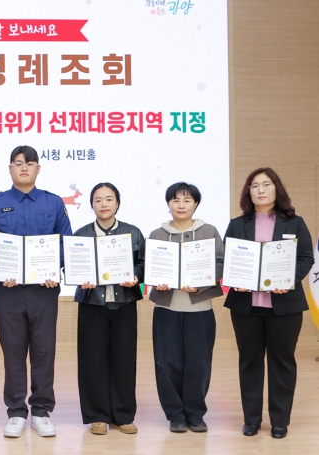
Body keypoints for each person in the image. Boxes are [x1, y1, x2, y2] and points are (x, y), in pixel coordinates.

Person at [0, 145, 72, 438]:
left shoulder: (53, 203)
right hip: (8, 291)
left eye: (29, 163)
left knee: (44, 351)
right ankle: (17, 412)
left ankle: (41, 412)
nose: (23, 167)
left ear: (38, 168)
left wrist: (53, 269)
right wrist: (0, 268)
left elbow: (65, 242)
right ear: (10, 168)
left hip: (44, 290)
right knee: (13, 352)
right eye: (18, 163)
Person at [224, 167, 314, 439]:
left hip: (285, 307)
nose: (260, 190)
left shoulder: (295, 222)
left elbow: (306, 258)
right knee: (249, 362)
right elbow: (229, 259)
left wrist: (288, 279)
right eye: (254, 185)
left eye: (266, 184)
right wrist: (234, 279)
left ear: (277, 189)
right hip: (245, 306)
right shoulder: (237, 224)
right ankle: (251, 420)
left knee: (282, 363)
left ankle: (280, 422)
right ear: (248, 192)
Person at [148, 182, 224, 433]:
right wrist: (157, 281)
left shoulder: (209, 231)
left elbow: (221, 262)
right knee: (167, 363)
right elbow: (150, 267)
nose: (181, 205)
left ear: (196, 204)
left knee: (198, 364)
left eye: (187, 200)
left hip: (199, 310)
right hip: (166, 309)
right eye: (176, 200)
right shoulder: (157, 235)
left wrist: (201, 284)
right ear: (168, 204)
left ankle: (195, 414)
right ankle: (175, 415)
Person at [73, 182, 144, 436]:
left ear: (117, 203)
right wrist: (81, 277)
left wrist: (135, 275)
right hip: (92, 303)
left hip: (124, 303)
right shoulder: (81, 235)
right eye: (98, 200)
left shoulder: (132, 233)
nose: (104, 204)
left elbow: (143, 264)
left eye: (109, 199)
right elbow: (72, 266)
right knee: (92, 360)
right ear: (92, 205)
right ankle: (97, 416)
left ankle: (122, 415)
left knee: (124, 360)